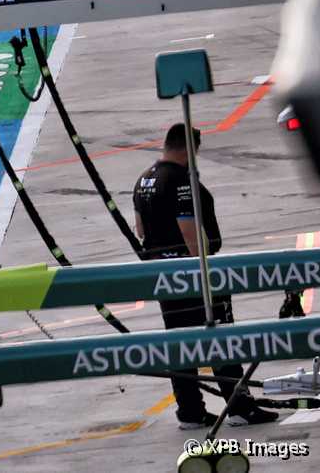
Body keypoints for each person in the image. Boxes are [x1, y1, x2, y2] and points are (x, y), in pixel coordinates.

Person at [133, 123, 279, 429]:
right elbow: (189, 233)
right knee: (220, 338)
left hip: (163, 275)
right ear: (189, 148)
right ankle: (239, 407)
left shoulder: (143, 179)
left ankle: (190, 412)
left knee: (180, 344)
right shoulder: (181, 181)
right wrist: (204, 273)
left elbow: (141, 231)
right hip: (193, 274)